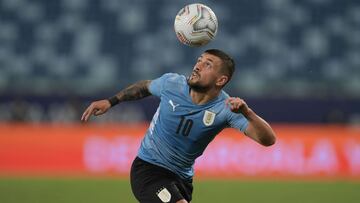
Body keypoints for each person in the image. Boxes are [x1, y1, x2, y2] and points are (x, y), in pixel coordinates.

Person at [81, 49, 276, 203]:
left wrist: (247, 113)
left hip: (182, 180)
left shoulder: (225, 109)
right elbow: (144, 87)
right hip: (148, 169)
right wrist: (111, 102)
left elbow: (268, 140)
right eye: (199, 60)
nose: (198, 66)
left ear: (221, 80)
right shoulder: (172, 83)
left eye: (207, 64)